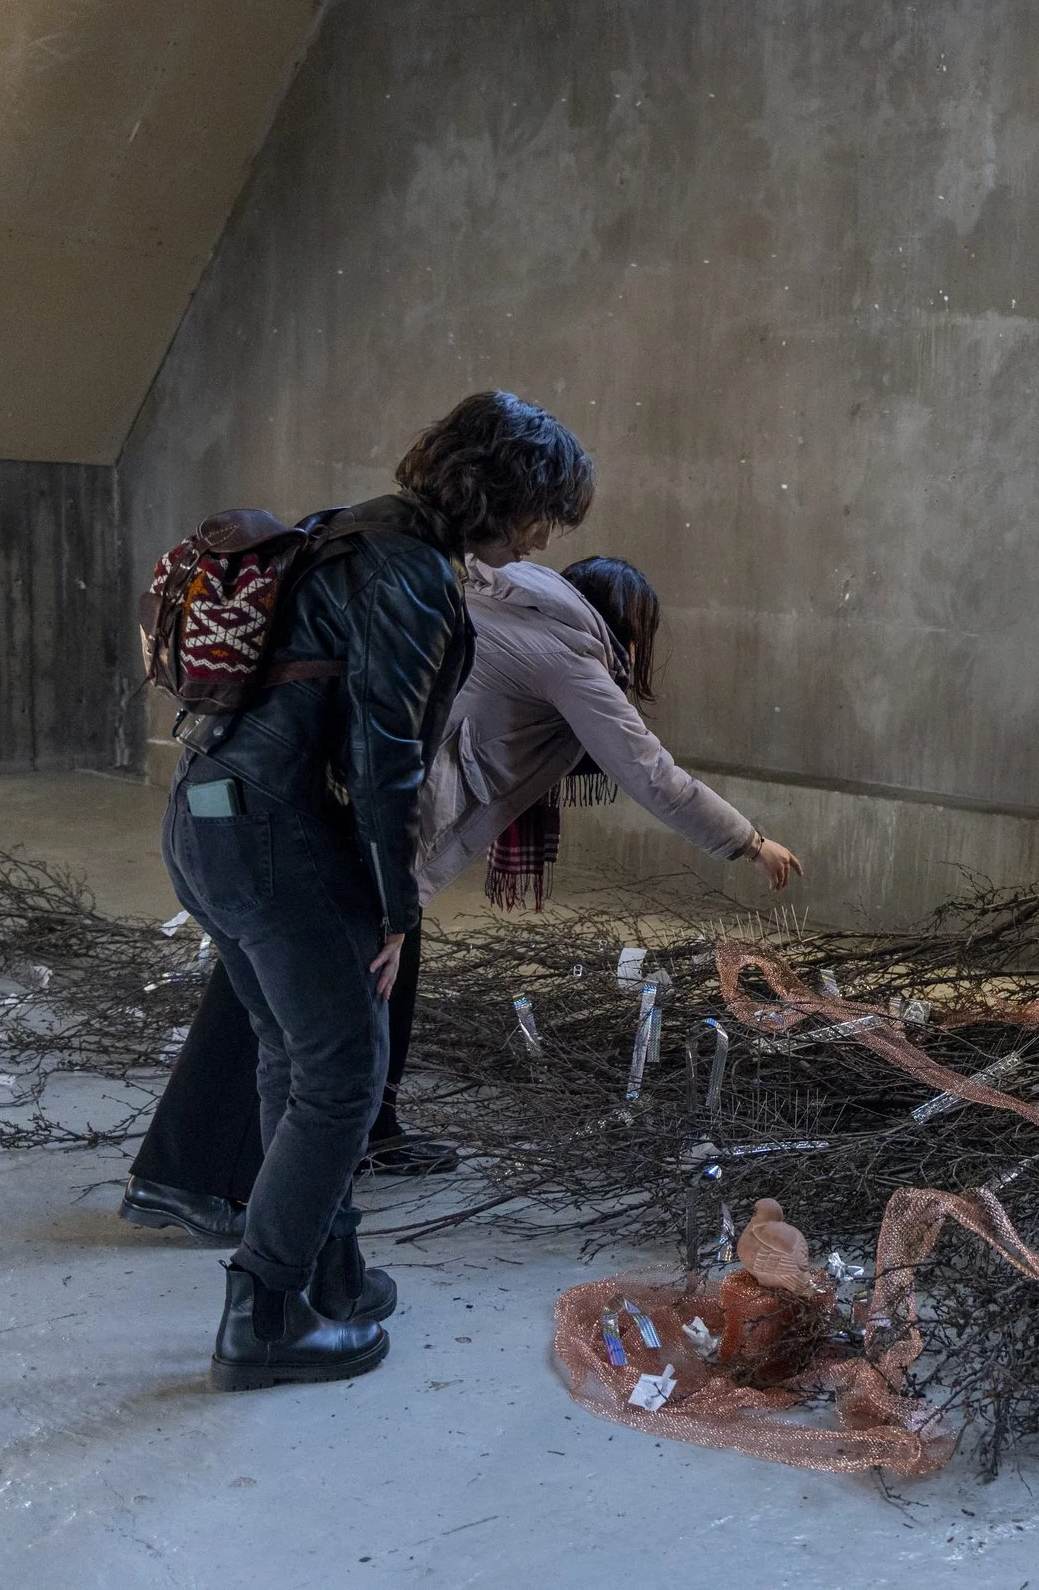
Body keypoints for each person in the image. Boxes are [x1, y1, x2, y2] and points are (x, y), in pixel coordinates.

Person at [120, 555, 802, 1254]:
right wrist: (750, 840)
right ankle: (186, 1177)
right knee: (281, 989)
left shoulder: (506, 609)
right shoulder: (567, 659)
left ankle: (365, 1133)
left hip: (328, 797)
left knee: (370, 966)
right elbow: (654, 775)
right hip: (346, 816)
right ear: (625, 623)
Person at [162, 390, 593, 1391]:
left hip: (208, 811)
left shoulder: (358, 530)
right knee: (346, 1077)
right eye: (544, 513)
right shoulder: (408, 570)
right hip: (274, 835)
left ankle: (331, 1271)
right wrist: (397, 906)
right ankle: (264, 1314)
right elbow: (384, 749)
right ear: (508, 493)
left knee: (295, 1053)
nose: (539, 539)